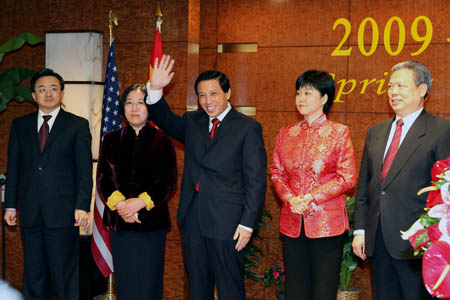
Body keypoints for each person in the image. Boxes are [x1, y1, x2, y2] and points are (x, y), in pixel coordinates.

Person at [146, 55, 267, 300]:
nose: (207, 101)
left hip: (229, 222)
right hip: (193, 218)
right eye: (202, 95)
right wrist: (155, 88)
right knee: (197, 287)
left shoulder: (247, 127)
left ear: (228, 93)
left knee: (229, 287)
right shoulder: (193, 121)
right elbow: (165, 120)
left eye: (213, 94)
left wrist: (247, 223)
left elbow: (256, 180)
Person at [352, 61, 450, 300]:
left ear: (422, 89)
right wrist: (360, 229)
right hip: (378, 238)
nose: (393, 92)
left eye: (401, 86)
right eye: (390, 86)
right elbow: (366, 186)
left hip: (418, 244)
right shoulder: (376, 131)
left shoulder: (441, 131)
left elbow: (444, 190)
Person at [4, 68, 92, 300]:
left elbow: (84, 170)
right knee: (34, 273)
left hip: (63, 213)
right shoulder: (20, 125)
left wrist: (82, 205)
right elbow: (13, 167)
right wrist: (10, 206)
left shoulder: (77, 125)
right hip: (30, 212)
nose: (48, 93)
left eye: (53, 88)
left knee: (63, 273)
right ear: (34, 95)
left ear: (62, 93)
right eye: (42, 89)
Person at [271, 70, 357, 300]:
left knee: (323, 291)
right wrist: (290, 199)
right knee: (296, 291)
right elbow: (276, 173)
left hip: (326, 224)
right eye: (298, 92)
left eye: (308, 92)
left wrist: (310, 197)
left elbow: (347, 177)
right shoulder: (286, 133)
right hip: (292, 222)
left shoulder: (338, 133)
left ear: (324, 98)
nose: (301, 98)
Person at [97, 84, 177, 300]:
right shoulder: (111, 139)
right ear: (122, 108)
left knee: (148, 283)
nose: (134, 108)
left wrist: (139, 203)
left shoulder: (163, 140)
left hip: (151, 223)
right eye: (129, 103)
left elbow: (168, 180)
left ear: (149, 106)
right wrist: (122, 205)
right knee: (126, 283)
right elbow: (103, 177)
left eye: (140, 102)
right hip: (119, 223)